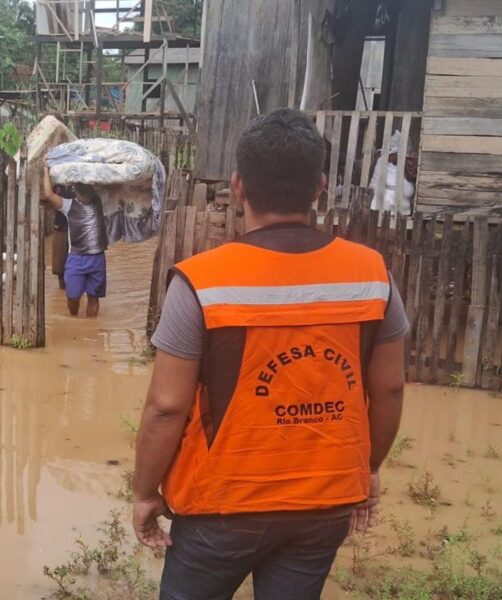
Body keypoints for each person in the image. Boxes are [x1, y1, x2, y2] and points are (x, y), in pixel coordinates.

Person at [132, 108, 408, 600]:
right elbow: (388, 387)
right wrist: (368, 470)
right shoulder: (371, 274)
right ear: (319, 186)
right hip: (324, 504)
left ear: (238, 186)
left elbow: (165, 407)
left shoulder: (202, 281)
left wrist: (144, 492)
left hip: (222, 505)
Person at [41, 164, 108, 317]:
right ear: (75, 192)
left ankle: (91, 331)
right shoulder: (68, 205)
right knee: (73, 297)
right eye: (81, 192)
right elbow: (48, 195)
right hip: (76, 258)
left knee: (93, 297)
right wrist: (46, 170)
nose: (84, 196)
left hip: (97, 257)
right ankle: (74, 318)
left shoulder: (99, 200)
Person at [51, 198, 69, 290]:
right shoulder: (57, 185)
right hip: (60, 228)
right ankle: (63, 290)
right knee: (59, 268)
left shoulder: (79, 184)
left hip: (77, 228)